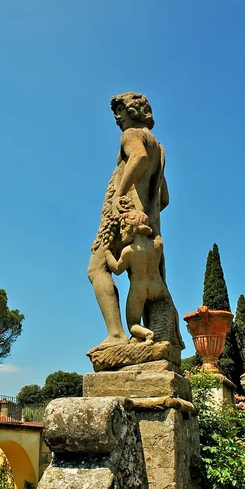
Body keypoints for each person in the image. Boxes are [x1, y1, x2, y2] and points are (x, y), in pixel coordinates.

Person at [88, 92, 169, 346]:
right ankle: (151, 338)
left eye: (119, 112)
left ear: (132, 112)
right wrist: (145, 215)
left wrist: (120, 195)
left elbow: (138, 157)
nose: (116, 119)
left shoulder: (131, 135)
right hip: (146, 224)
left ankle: (116, 335)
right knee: (142, 281)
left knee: (96, 268)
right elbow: (164, 198)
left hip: (122, 218)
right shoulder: (159, 146)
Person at [102, 207, 168, 342]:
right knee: (163, 306)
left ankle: (147, 334)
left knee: (133, 324)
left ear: (132, 229)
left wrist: (108, 253)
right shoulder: (157, 244)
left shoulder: (129, 251)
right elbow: (155, 228)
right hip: (158, 287)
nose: (121, 232)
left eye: (123, 227)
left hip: (139, 289)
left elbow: (117, 269)